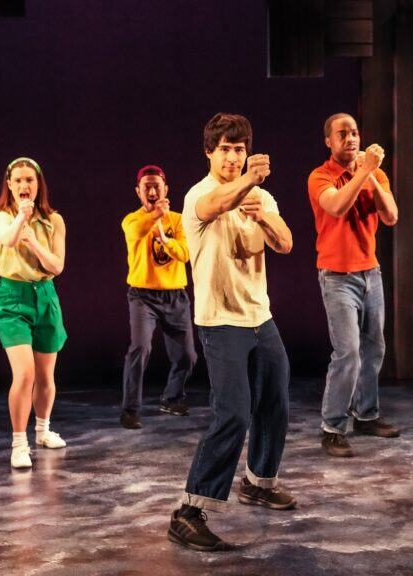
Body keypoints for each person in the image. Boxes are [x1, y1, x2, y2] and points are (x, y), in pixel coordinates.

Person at [168, 113, 296, 552]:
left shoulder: (261, 197)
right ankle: (188, 512)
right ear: (210, 152)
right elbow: (218, 205)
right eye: (224, 148)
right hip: (219, 321)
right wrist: (246, 186)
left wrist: (263, 216)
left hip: (260, 318)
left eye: (239, 149)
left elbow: (286, 242)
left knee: (276, 401)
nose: (233, 156)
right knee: (234, 414)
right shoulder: (198, 196)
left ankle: (259, 481)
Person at [308, 113, 400, 458]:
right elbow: (335, 206)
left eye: (355, 132)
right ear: (329, 141)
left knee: (374, 350)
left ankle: (366, 415)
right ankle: (332, 426)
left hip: (370, 274)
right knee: (348, 353)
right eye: (342, 134)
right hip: (337, 278)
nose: (351, 138)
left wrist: (372, 175)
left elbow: (391, 216)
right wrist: (365, 170)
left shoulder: (373, 174)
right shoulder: (320, 176)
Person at [0, 157, 68, 469]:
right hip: (11, 297)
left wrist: (34, 242)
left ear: (39, 185)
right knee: (24, 374)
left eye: (30, 180)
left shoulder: (54, 221)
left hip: (45, 296)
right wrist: (21, 219)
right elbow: (8, 239)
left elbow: (57, 265)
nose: (24, 185)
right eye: (18, 180)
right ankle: (19, 443)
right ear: (10, 185)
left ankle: (43, 430)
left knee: (46, 375)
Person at [119, 165, 196, 429]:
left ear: (166, 190)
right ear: (138, 191)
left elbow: (185, 253)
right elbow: (136, 233)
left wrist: (166, 239)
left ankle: (172, 397)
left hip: (175, 295)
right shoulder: (132, 219)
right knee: (141, 348)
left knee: (188, 355)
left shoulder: (177, 219)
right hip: (143, 297)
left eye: (156, 187)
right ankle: (130, 409)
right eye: (146, 187)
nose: (152, 191)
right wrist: (155, 217)